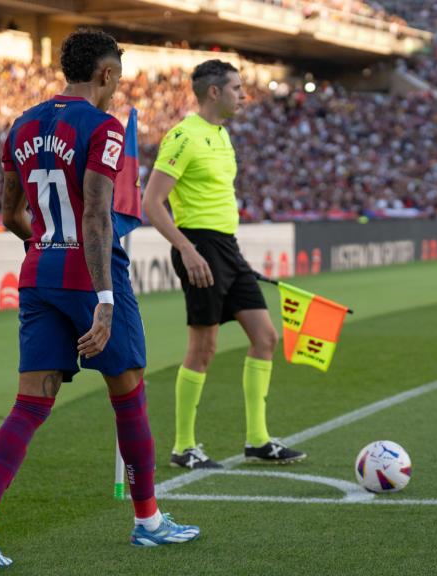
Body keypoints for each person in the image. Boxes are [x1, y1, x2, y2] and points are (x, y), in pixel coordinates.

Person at [0, 29, 198, 570]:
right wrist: (105, 299)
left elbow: (9, 216)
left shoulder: (21, 125)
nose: (117, 89)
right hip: (91, 277)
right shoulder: (103, 127)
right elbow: (94, 213)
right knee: (129, 393)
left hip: (38, 272)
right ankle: (149, 522)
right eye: (117, 78)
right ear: (106, 74)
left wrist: (45, 247)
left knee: (30, 403)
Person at [143, 59, 306, 469]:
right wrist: (187, 249)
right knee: (204, 346)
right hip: (199, 247)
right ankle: (184, 446)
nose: (244, 95)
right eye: (236, 88)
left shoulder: (222, 135)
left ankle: (257, 439)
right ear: (214, 92)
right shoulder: (183, 137)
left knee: (266, 337)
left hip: (227, 248)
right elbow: (152, 203)